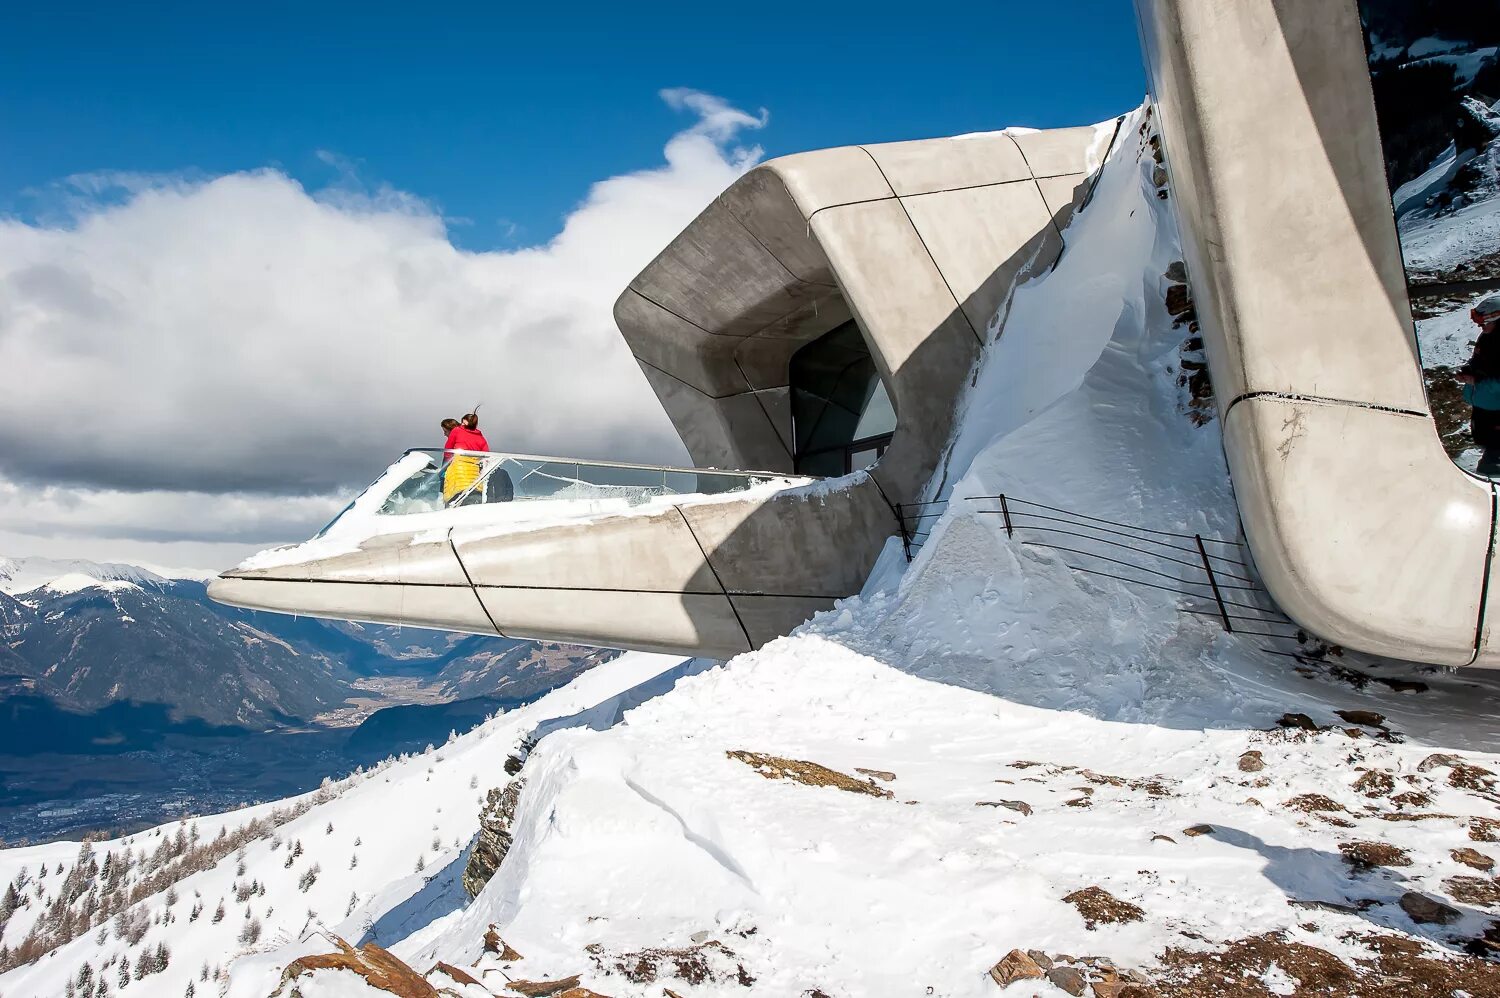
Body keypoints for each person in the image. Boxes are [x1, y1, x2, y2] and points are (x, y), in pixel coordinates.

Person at [1459, 294, 1500, 477]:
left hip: (1494, 403)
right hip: (1483, 400)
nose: (1480, 327)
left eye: (1484, 323)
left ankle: (1491, 467)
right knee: (1484, 435)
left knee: (1494, 441)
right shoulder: (1486, 337)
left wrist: (1478, 382)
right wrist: (1469, 370)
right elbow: (1479, 361)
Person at [442, 413, 490, 504]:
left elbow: (448, 452)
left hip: (457, 475)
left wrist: (444, 468)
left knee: (453, 505)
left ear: (464, 422)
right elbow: (486, 458)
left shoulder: (457, 431)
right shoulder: (481, 438)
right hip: (475, 478)